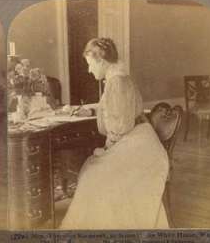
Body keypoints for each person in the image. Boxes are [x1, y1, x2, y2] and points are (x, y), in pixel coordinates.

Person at [60, 38, 170, 229]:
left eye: (90, 64)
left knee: (93, 175)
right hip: (141, 141)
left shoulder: (115, 82)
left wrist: (105, 150)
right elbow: (117, 109)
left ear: (101, 61)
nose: (89, 70)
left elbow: (120, 128)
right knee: (93, 171)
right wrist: (92, 111)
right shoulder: (119, 77)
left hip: (138, 147)